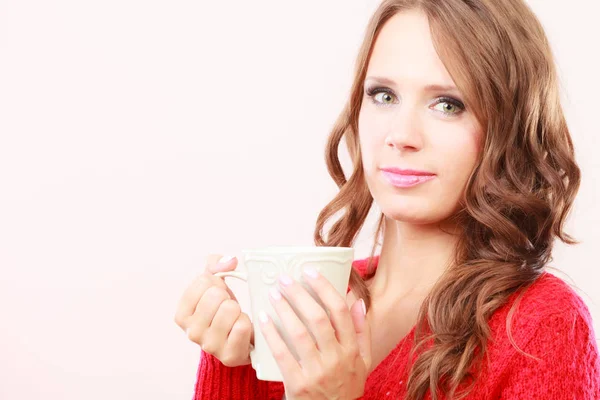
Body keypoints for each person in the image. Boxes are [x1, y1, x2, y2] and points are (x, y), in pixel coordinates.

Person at [174, 0, 600, 399]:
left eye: (448, 104)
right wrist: (231, 360)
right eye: (383, 96)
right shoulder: (310, 304)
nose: (400, 135)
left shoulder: (540, 325)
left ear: (508, 129)